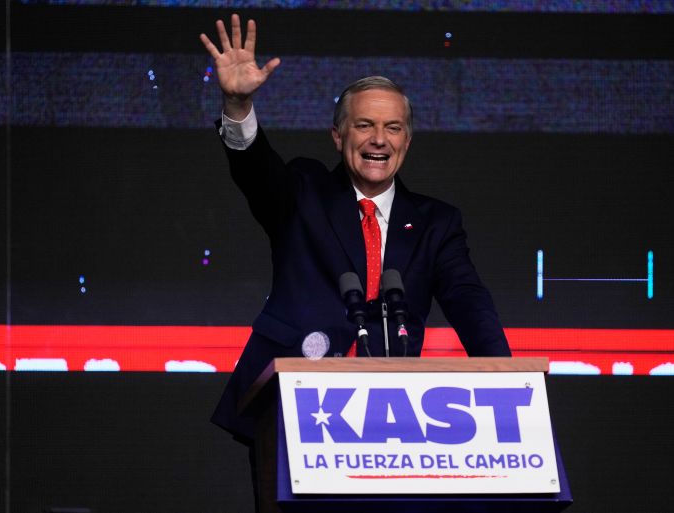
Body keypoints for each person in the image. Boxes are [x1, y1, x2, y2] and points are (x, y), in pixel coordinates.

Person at [200, 12, 511, 502]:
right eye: (364, 125)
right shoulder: (304, 190)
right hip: (292, 409)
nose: (378, 140)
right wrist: (238, 104)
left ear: (407, 140)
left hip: (394, 424)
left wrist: (505, 381)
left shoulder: (436, 222)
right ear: (338, 135)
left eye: (392, 127)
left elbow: (468, 301)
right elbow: (256, 172)